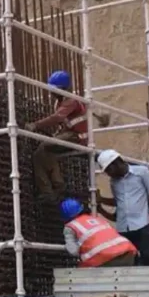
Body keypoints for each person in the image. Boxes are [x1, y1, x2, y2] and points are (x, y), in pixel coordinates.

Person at [24, 70, 90, 202]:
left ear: (62, 89)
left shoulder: (71, 101)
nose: (51, 92)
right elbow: (63, 124)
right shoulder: (59, 102)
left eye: (53, 89)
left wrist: (35, 125)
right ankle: (48, 190)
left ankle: (58, 185)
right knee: (39, 154)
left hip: (78, 137)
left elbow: (57, 117)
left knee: (46, 145)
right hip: (69, 134)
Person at [95, 149, 149, 266]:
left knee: (148, 257)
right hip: (123, 228)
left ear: (116, 163)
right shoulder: (113, 182)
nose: (108, 174)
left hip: (142, 224)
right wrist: (101, 201)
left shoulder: (142, 172)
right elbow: (119, 202)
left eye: (108, 170)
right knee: (129, 261)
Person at [61, 198, 138, 268]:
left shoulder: (70, 227)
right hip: (128, 252)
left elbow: (73, 251)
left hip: (105, 257)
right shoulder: (97, 219)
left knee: (80, 274)